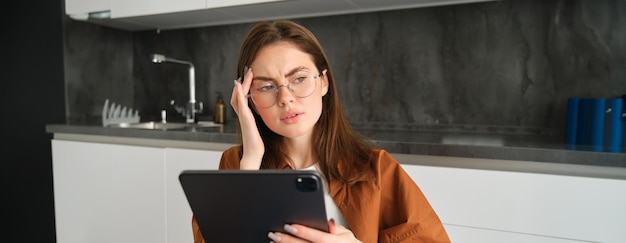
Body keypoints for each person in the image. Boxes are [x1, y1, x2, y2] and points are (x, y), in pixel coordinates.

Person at [191, 20, 450, 243]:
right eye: (267, 87)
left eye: (299, 79)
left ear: (324, 82)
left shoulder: (377, 170)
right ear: (249, 100)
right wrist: (251, 160)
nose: (285, 98)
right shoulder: (235, 164)